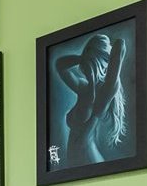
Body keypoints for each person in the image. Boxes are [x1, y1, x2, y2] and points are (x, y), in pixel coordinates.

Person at [54, 31, 129, 168]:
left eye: (90, 61)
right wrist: (82, 58)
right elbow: (60, 65)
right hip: (75, 165)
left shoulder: (107, 89)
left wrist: (93, 56)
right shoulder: (83, 87)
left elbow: (120, 45)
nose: (85, 68)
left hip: (89, 160)